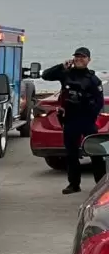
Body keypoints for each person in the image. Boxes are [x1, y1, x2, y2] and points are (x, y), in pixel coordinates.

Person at [42, 47, 106, 194]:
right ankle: (74, 184)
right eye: (77, 57)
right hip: (70, 120)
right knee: (71, 154)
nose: (79, 59)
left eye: (82, 57)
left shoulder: (93, 79)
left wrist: (90, 113)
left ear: (88, 60)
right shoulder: (66, 74)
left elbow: (99, 102)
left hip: (87, 121)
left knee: (96, 153)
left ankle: (100, 186)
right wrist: (61, 66)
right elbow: (46, 76)